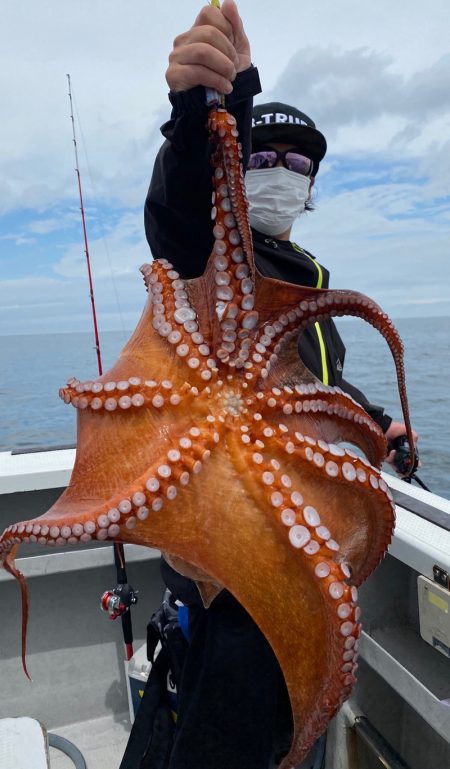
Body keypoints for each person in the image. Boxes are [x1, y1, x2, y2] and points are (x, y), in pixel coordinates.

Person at [122, 2, 418, 767]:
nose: (282, 172)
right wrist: (206, 110)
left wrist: (376, 421)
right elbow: (185, 215)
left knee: (293, 734)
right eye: (264, 156)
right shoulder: (217, 274)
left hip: (301, 580)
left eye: (299, 162)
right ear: (241, 167)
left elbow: (316, 387)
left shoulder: (307, 287)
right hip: (229, 584)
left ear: (312, 184)